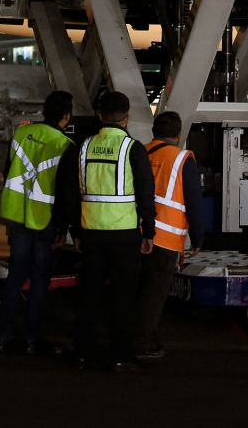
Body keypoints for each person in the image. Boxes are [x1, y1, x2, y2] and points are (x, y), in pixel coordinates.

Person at [60, 90, 156, 371]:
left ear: (100, 116)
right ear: (126, 118)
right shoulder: (133, 148)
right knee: (123, 296)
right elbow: (145, 193)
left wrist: (75, 230)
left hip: (90, 233)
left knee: (88, 293)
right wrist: (148, 231)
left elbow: (69, 193)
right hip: (124, 235)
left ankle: (82, 353)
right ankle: (119, 355)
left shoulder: (82, 147)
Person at [0, 91, 78, 356]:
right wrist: (64, 227)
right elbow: (66, 191)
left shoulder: (21, 135)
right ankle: (33, 338)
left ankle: (4, 336)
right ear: (66, 116)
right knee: (40, 280)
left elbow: (8, 172)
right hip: (44, 220)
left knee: (16, 276)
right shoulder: (64, 144)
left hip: (17, 216)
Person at [133, 111, 204, 360]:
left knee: (135, 290)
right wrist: (197, 237)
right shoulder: (182, 159)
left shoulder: (139, 151)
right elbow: (194, 201)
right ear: (178, 133)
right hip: (165, 239)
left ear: (154, 131)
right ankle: (141, 343)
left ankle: (137, 337)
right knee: (153, 295)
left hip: (132, 232)